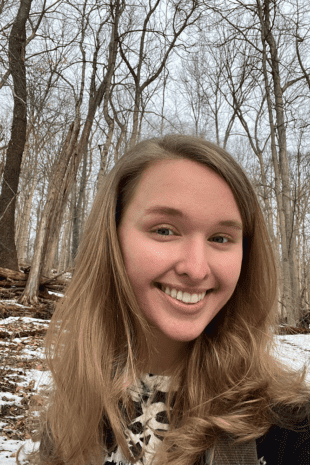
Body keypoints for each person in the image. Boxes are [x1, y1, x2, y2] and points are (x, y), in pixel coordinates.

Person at [18, 135, 310, 465]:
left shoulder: (292, 429)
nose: (196, 269)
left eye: (220, 238)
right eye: (165, 230)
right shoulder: (72, 414)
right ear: (113, 240)